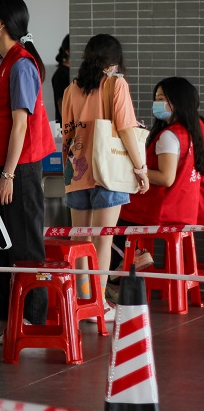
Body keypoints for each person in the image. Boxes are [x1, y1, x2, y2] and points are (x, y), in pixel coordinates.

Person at [61, 34, 148, 320]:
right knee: (102, 240)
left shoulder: (71, 89)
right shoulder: (115, 84)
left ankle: (83, 301)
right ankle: (97, 304)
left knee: (80, 240)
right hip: (108, 172)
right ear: (114, 62)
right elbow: (125, 129)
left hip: (76, 170)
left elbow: (67, 133)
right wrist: (140, 168)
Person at [0, 0, 55, 332]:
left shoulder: (22, 65)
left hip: (19, 169)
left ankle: (33, 319)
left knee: (25, 244)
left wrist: (9, 175)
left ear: (3, 24)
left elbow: (20, 124)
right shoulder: (2, 61)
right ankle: (6, 315)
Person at [110, 77, 204, 297]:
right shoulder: (194, 130)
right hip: (185, 210)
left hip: (161, 211)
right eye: (156, 98)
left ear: (177, 102)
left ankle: (129, 262)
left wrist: (135, 171)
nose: (156, 103)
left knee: (113, 220)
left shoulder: (170, 135)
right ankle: (132, 259)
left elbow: (166, 178)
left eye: (162, 98)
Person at [51, 34, 71, 123]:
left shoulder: (71, 71)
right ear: (68, 51)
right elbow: (61, 103)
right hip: (66, 125)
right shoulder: (61, 74)